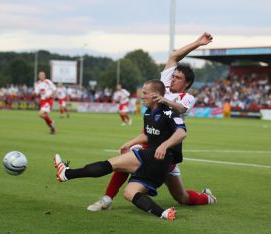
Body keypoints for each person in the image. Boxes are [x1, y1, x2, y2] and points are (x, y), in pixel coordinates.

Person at [87, 32, 216, 212]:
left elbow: (181, 109)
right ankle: (107, 199)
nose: (172, 79)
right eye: (173, 76)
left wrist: (165, 101)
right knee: (126, 158)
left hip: (167, 149)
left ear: (187, 84)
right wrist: (198, 43)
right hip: (151, 140)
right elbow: (174, 56)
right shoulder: (164, 83)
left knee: (182, 197)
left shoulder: (187, 97)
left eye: (178, 78)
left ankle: (207, 197)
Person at [54, 80, 187, 220]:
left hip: (157, 158)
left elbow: (181, 133)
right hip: (155, 163)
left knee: (112, 164)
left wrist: (164, 146)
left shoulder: (168, 112)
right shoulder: (148, 112)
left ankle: (67, 173)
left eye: (145, 93)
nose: (141, 96)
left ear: (155, 95)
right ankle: (164, 213)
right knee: (129, 193)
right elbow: (148, 134)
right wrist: (130, 143)